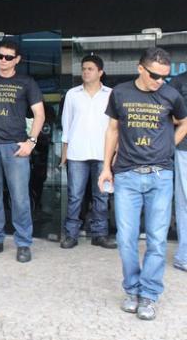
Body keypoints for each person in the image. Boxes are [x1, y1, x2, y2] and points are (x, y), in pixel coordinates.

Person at [98, 47, 187, 321]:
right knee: (126, 239)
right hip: (126, 175)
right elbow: (112, 130)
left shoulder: (171, 95)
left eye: (164, 76)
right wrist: (105, 167)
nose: (160, 81)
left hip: (161, 176)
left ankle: (148, 294)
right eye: (154, 75)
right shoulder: (120, 93)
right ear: (140, 68)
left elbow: (183, 122)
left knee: (157, 240)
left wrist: (167, 148)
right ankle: (132, 290)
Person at [0, 40, 45, 263]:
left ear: (17, 60)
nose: (3, 61)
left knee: (20, 198)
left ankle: (23, 243)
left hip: (16, 147)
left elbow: (39, 114)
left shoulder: (27, 82)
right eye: (0, 56)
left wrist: (31, 142)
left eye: (8, 57)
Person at [60, 54, 116, 249]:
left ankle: (99, 234)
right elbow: (66, 125)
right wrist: (64, 153)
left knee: (102, 195)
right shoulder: (72, 94)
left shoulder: (111, 94)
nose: (85, 72)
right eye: (84, 68)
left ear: (100, 72)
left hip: (103, 153)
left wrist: (115, 153)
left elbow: (115, 127)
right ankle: (71, 234)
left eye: (90, 69)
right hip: (77, 152)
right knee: (75, 195)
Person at [169, 71, 187, 272]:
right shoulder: (179, 81)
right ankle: (184, 255)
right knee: (185, 203)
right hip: (185, 148)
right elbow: (164, 111)